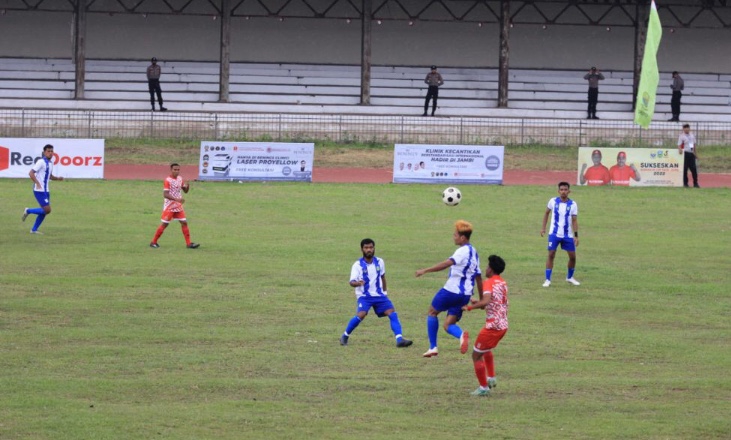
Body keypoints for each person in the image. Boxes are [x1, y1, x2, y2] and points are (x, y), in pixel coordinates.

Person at [415, 220, 483, 358]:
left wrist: (425, 270)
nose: (454, 237)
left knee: (432, 312)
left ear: (463, 237)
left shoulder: (461, 251)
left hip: (451, 291)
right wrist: (481, 300)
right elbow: (478, 277)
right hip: (465, 295)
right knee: (448, 324)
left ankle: (433, 347)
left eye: (455, 235)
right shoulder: (474, 252)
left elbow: (447, 263)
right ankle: (461, 335)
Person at [339, 239, 413, 348]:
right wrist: (358, 283)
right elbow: (351, 282)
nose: (369, 250)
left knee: (392, 313)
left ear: (374, 248)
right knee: (361, 315)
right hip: (365, 296)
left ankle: (399, 339)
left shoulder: (380, 262)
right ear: (362, 249)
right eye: (366, 248)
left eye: (371, 247)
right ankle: (344, 336)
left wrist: (385, 292)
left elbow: (383, 277)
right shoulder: (357, 265)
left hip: (379, 295)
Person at [462, 255, 508, 397]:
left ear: (491, 269)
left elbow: (486, 301)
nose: (485, 269)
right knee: (485, 349)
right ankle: (491, 378)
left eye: (487, 266)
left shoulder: (488, 282)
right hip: (503, 325)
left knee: (476, 356)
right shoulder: (502, 283)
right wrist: (477, 302)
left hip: (493, 327)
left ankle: (484, 388)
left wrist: (469, 308)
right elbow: (492, 301)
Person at [149, 163, 199, 249]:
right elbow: (165, 194)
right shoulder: (168, 180)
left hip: (178, 206)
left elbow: (185, 191)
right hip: (169, 206)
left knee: (184, 222)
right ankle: (153, 242)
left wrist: (187, 186)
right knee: (165, 224)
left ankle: (189, 244)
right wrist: (176, 199)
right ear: (171, 170)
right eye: (175, 170)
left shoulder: (180, 179)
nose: (177, 171)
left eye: (178, 170)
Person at [540, 182, 580, 287]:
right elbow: (546, 213)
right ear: (558, 191)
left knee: (572, 257)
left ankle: (570, 277)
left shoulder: (573, 204)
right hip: (554, 233)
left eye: (565, 189)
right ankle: (547, 279)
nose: (563, 191)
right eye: (561, 189)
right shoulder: (552, 201)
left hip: (567, 235)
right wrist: (543, 228)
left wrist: (576, 236)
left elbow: (574, 220)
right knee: (551, 254)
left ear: (569, 191)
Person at [22, 144, 64, 234]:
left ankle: (33, 230)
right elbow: (31, 173)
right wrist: (37, 183)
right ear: (44, 152)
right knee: (47, 210)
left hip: (46, 190)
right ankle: (28, 210)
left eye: (51, 151)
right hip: (39, 190)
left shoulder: (50, 163)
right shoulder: (41, 162)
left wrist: (58, 178)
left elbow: (50, 176)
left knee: (44, 211)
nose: (50, 153)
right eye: (48, 151)